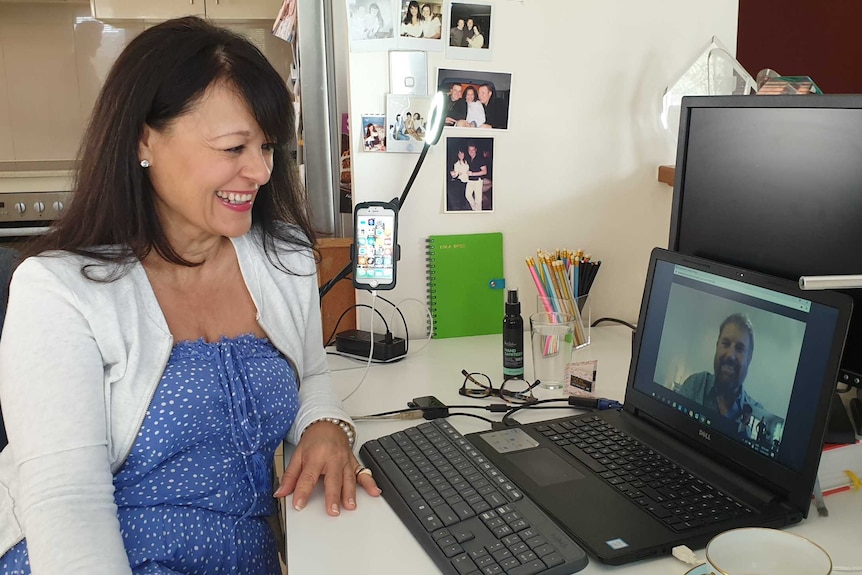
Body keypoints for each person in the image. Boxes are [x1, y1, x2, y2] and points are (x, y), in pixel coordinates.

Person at [0, 17, 380, 574]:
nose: (260, 170)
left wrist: (324, 426)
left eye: (267, 146)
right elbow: (67, 504)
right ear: (143, 140)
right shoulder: (60, 292)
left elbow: (312, 374)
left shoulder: (284, 259)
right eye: (233, 147)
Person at [676, 313, 767, 421]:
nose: (730, 355)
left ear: (749, 358)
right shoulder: (695, 384)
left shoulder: (754, 413)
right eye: (726, 343)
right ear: (717, 346)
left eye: (739, 348)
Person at [464, 143, 487, 211]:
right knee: (467, 195)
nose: (471, 152)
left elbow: (484, 171)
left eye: (473, 150)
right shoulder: (468, 159)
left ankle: (478, 212)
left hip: (478, 181)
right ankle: (475, 209)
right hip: (470, 181)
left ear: (476, 150)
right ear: (468, 151)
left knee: (478, 200)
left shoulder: (480, 158)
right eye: (470, 150)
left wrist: (472, 174)